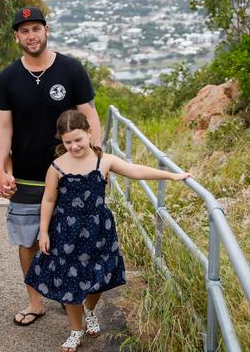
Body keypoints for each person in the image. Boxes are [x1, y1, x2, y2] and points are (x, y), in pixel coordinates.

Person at [25, 110, 191, 351]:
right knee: (71, 282)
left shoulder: (105, 161)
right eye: (67, 141)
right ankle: (75, 330)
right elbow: (49, 200)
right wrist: (43, 231)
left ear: (89, 133)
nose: (74, 146)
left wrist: (173, 176)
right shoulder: (57, 167)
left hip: (98, 230)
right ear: (61, 140)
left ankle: (89, 311)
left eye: (78, 139)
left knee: (98, 278)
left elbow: (136, 171)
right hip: (66, 232)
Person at [0, 6, 102, 327]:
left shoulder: (71, 69)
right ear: (17, 37)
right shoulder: (9, 77)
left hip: (71, 173)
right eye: (24, 31)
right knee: (27, 241)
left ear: (46, 30)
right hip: (26, 176)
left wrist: (94, 158)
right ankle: (35, 302)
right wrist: (1, 168)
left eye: (35, 29)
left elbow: (89, 114)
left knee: (78, 239)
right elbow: (3, 125)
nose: (31, 36)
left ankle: (78, 301)